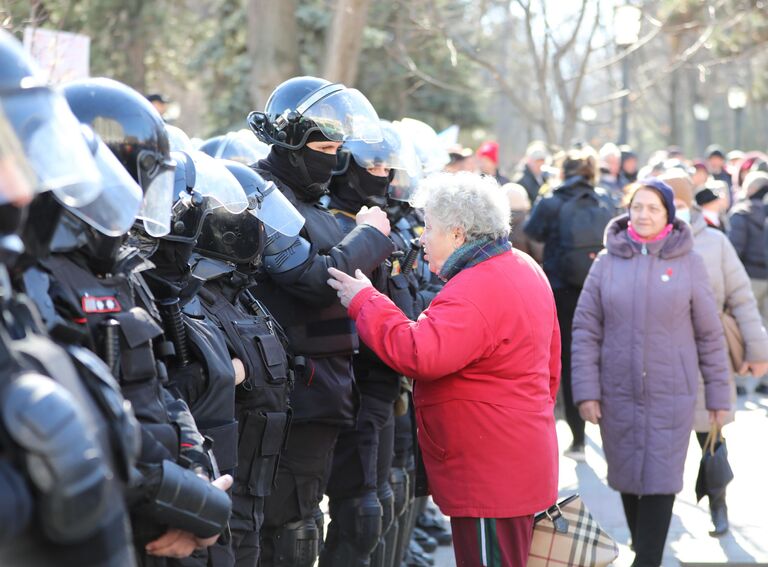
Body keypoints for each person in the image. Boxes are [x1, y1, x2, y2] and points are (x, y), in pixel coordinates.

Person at [327, 172, 560, 567]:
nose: (420, 238)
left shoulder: (479, 286)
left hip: (491, 472)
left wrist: (365, 300)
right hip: (514, 458)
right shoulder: (519, 265)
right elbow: (551, 367)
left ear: (457, 233)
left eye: (428, 227)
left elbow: (419, 352)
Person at [246, 76, 394, 567]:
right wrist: (370, 236)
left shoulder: (315, 207)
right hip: (287, 395)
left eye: (337, 148)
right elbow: (314, 278)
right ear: (289, 142)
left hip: (327, 396)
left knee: (310, 526)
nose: (332, 158)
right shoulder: (261, 193)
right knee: (283, 534)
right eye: (323, 146)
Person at [571, 178, 731, 567]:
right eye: (637, 207)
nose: (643, 215)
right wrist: (586, 392)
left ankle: (646, 560)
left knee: (660, 483)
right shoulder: (608, 262)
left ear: (668, 216)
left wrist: (719, 398)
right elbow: (585, 329)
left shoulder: (688, 262)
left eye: (653, 208)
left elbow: (710, 335)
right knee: (626, 479)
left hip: (671, 394)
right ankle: (644, 551)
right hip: (617, 393)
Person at [662, 169, 768, 536]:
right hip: (658, 356)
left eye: (677, 200)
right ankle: (656, 515)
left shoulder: (714, 242)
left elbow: (740, 296)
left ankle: (718, 503)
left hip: (709, 352)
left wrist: (757, 350)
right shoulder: (643, 241)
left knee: (711, 434)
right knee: (660, 441)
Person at [524, 148, 614, 461]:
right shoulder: (606, 200)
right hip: (601, 286)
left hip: (561, 288)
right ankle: (610, 434)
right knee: (603, 354)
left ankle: (577, 440)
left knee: (570, 357)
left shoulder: (550, 201)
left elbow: (530, 231)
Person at [728, 171, 768, 395]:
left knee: (745, 328)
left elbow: (734, 249)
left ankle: (742, 381)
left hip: (748, 277)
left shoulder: (741, 213)